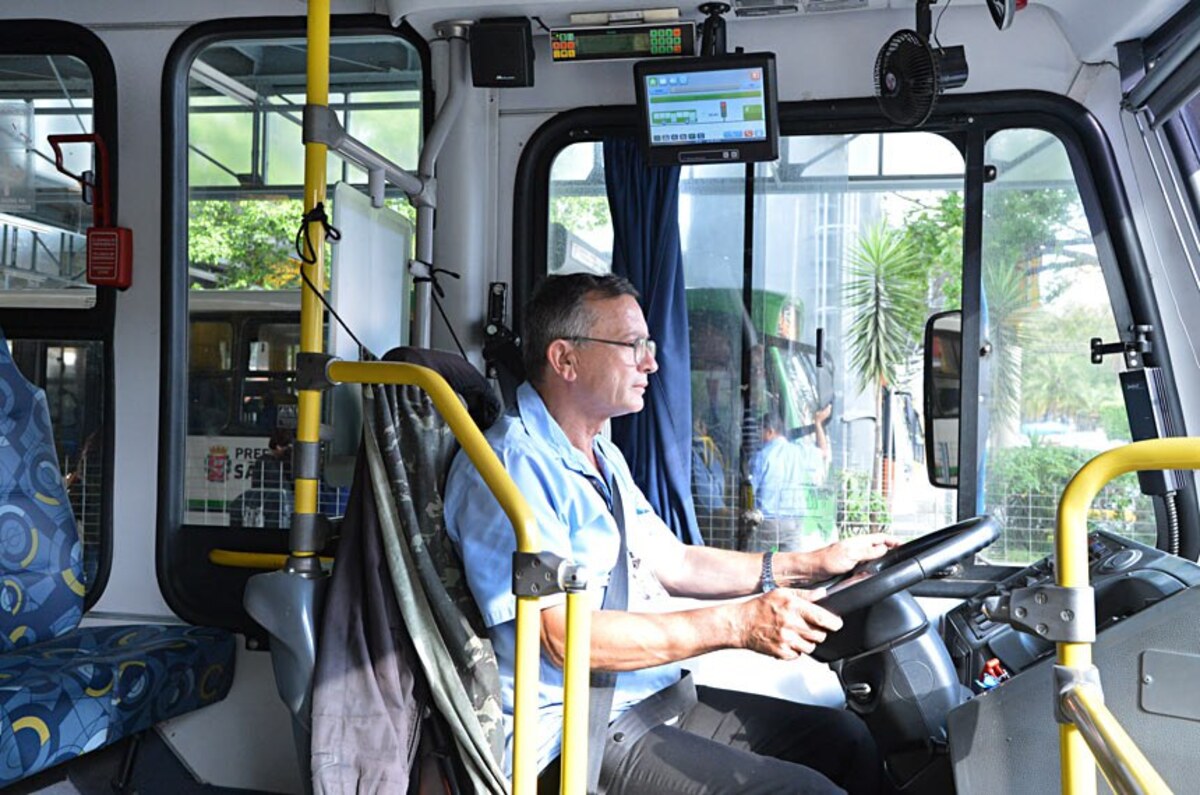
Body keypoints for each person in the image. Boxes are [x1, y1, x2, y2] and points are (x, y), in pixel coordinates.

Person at [444, 273, 898, 795]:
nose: (651, 363)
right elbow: (560, 638)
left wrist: (811, 564)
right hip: (573, 736)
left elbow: (674, 561)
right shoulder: (507, 468)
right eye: (632, 346)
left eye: (649, 345)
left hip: (654, 700)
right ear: (565, 360)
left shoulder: (602, 455)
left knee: (848, 740)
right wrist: (737, 625)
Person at [747, 406, 833, 553]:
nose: (758, 436)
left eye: (760, 431)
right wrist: (818, 423)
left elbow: (751, 488)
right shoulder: (798, 451)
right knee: (790, 567)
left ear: (770, 431)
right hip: (794, 521)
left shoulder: (762, 456)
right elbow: (824, 452)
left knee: (758, 564)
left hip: (768, 521)